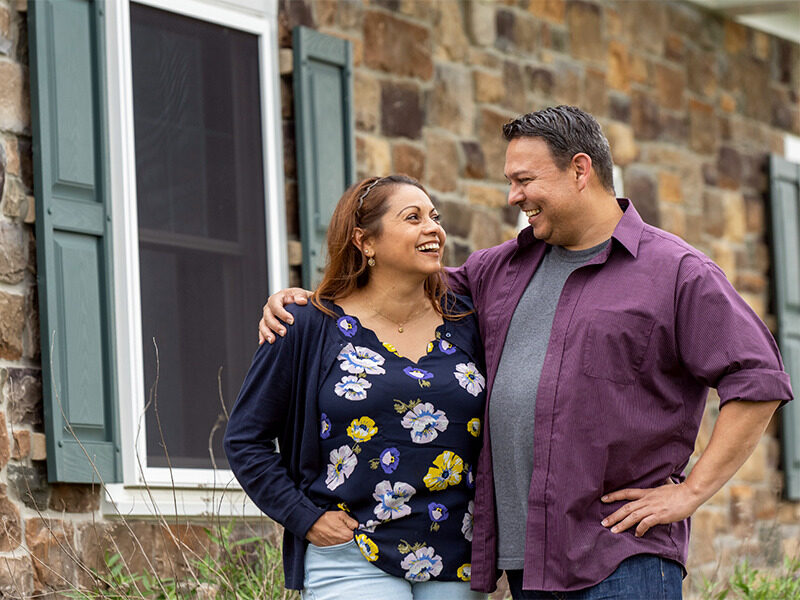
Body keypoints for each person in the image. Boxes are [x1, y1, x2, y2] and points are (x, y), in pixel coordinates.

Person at [258, 106, 794, 599]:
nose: (514, 196)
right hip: (528, 564)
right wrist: (308, 302)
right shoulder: (498, 270)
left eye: (525, 180)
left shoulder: (675, 272)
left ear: (580, 170)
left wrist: (691, 492)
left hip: (622, 554)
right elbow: (393, 287)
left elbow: (758, 379)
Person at [224, 174, 488, 600]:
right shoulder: (307, 325)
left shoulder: (469, 321)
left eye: (435, 217)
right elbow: (244, 438)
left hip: (457, 555)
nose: (433, 229)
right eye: (413, 218)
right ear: (365, 242)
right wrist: (304, 517)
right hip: (351, 553)